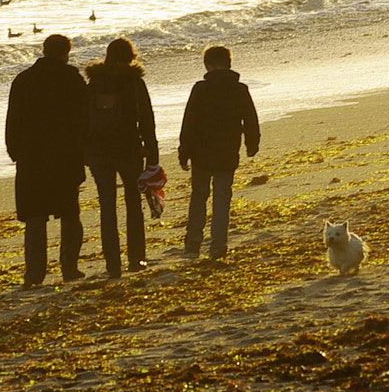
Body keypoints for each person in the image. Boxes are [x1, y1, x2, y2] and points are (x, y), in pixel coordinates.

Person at [5, 33, 87, 286]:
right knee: (70, 214)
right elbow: (84, 119)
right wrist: (83, 152)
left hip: (31, 156)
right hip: (65, 155)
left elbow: (13, 119)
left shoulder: (24, 79)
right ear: (66, 52)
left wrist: (14, 150)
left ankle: (34, 273)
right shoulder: (72, 79)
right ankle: (69, 268)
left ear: (44, 50)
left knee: (35, 217)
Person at [85, 36, 160, 278]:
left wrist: (84, 152)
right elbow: (147, 120)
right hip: (128, 150)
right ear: (130, 57)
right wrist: (152, 156)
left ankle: (112, 265)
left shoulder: (94, 83)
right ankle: (136, 259)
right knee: (133, 204)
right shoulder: (134, 82)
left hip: (99, 153)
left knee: (107, 207)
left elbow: (82, 120)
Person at [176, 44, 260, 261]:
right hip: (227, 152)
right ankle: (218, 245)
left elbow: (189, 122)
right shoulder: (240, 89)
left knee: (199, 196)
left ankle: (193, 241)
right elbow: (250, 120)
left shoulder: (200, 89)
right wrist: (252, 144)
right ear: (229, 64)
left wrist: (183, 151)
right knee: (222, 199)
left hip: (201, 153)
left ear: (207, 65)